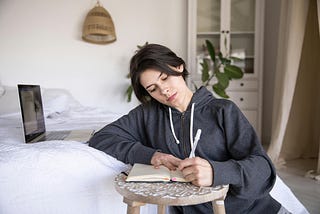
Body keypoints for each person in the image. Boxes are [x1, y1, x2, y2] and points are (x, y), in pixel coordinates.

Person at [88, 44, 287, 213]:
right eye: (152, 89)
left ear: (178, 67)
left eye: (165, 78)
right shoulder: (146, 115)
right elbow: (102, 137)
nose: (163, 90)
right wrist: (152, 156)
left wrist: (217, 171)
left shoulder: (223, 110)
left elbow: (263, 169)